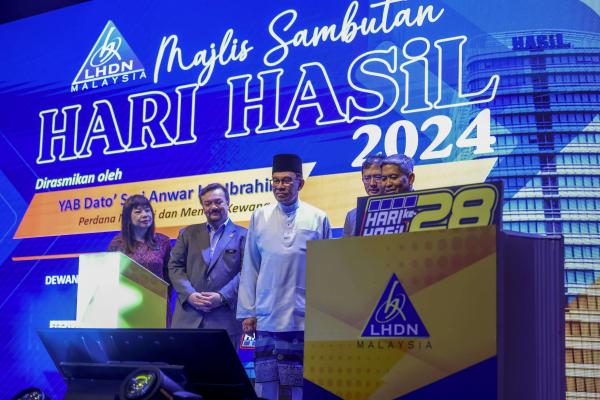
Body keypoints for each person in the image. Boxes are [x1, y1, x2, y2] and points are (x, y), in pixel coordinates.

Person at [237, 154, 331, 400]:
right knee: (265, 382)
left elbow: (327, 270)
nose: (280, 186)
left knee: (301, 382)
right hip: (267, 312)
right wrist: (248, 311)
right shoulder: (259, 216)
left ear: (300, 183)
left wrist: (323, 313)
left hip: (303, 314)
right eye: (276, 181)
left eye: (287, 180)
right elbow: (250, 265)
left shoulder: (318, 218)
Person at [168, 183, 246, 346]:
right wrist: (189, 294)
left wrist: (222, 296)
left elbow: (247, 272)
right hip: (187, 320)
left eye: (218, 202)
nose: (213, 207)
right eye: (208, 203)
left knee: (222, 364)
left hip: (225, 321)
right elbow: (175, 267)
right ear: (202, 207)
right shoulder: (187, 234)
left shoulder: (244, 235)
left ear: (228, 202)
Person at [108, 194, 172, 325]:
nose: (145, 215)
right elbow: (110, 277)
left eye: (148, 211)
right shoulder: (117, 243)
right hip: (128, 308)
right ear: (128, 218)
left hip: (157, 306)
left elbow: (170, 276)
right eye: (138, 212)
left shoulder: (163, 241)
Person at [343, 154, 384, 237]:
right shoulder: (352, 216)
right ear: (362, 180)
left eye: (377, 177)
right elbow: (346, 245)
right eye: (367, 178)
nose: (372, 183)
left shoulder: (401, 208)